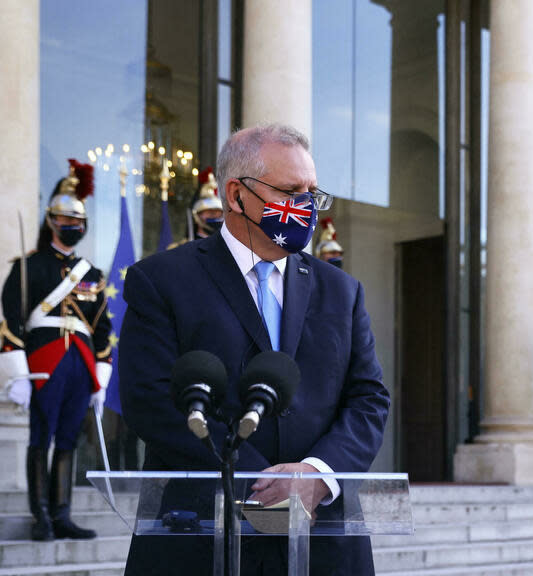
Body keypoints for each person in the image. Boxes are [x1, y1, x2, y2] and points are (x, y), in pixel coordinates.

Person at [119, 124, 390, 575]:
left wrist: (315, 476)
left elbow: (369, 399)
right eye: (289, 190)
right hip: (200, 539)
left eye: (311, 192)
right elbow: (151, 399)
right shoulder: (161, 281)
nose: (305, 205)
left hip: (322, 543)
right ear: (236, 195)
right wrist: (259, 484)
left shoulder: (342, 292)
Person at [0, 159, 112, 541]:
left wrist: (101, 374)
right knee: (41, 436)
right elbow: (11, 323)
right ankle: (41, 515)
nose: (74, 227)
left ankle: (62, 512)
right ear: (51, 220)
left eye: (79, 222)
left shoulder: (92, 275)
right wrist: (17, 374)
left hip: (80, 363)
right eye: (66, 220)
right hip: (43, 359)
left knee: (68, 438)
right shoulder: (28, 268)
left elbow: (103, 329)